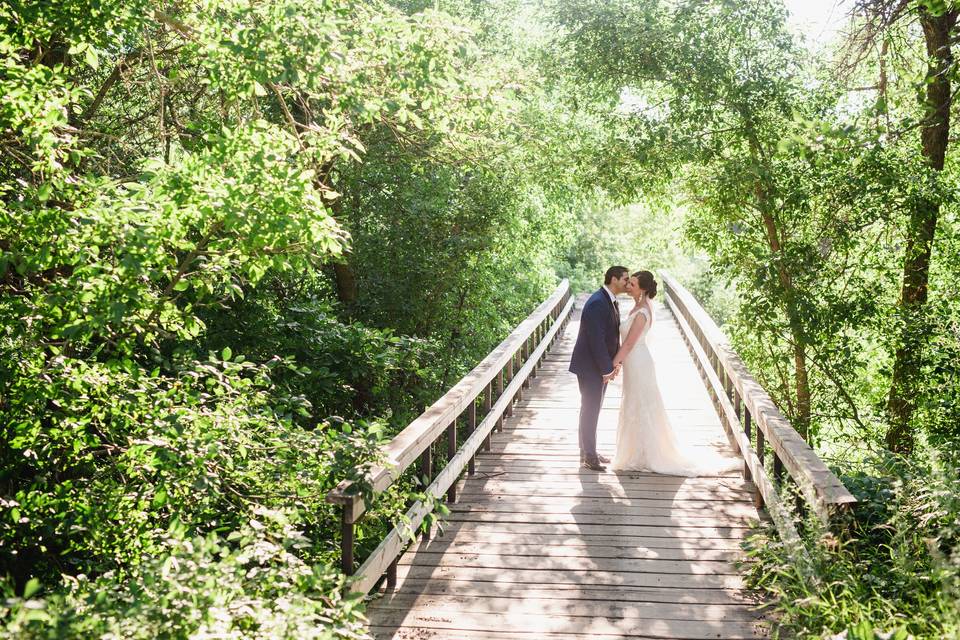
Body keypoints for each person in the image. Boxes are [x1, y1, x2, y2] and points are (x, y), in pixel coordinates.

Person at [610, 270, 738, 475]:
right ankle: (635, 451)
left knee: (641, 404)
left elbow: (628, 345)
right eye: (628, 283)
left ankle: (647, 454)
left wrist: (612, 365)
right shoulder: (637, 306)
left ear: (642, 289)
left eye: (632, 284)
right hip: (634, 362)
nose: (628, 286)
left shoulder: (642, 312)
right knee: (634, 403)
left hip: (638, 362)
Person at [568, 266, 629, 471]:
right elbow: (596, 341)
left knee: (591, 410)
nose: (627, 283)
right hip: (590, 367)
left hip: (596, 366)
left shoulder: (607, 300)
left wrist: (614, 363)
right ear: (614, 279)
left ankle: (587, 451)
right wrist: (606, 368)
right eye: (625, 279)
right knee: (590, 410)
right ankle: (589, 456)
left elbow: (610, 337)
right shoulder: (597, 303)